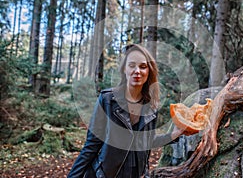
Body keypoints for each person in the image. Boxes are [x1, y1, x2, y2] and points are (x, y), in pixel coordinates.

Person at [68, 44, 183, 178]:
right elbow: (91, 145)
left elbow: (147, 141)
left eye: (143, 66)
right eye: (132, 65)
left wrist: (175, 134)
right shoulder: (107, 100)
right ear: (124, 69)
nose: (137, 71)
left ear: (149, 71)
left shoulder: (151, 107)